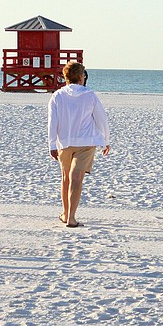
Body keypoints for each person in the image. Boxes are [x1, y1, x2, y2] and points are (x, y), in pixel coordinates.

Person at [48, 62, 110, 227]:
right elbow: (101, 119)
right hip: (86, 142)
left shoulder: (57, 95)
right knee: (77, 178)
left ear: (66, 77)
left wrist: (52, 144)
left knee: (66, 177)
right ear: (82, 77)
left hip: (64, 142)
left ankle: (66, 213)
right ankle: (71, 218)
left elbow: (52, 122)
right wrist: (106, 140)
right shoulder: (90, 95)